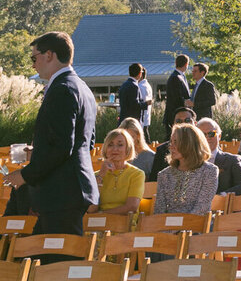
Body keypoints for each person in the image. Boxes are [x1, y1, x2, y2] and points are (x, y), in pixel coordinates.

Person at [10, 32, 98, 236]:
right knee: (44, 257)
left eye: (34, 58)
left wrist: (25, 175)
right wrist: (39, 151)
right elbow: (87, 142)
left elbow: (62, 147)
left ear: (49, 55)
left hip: (61, 194)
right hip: (68, 191)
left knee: (58, 263)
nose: (33, 65)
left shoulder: (63, 89)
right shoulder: (82, 88)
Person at [154, 121, 219, 218]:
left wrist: (180, 228)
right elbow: (159, 211)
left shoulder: (209, 171)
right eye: (171, 142)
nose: (171, 146)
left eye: (176, 142)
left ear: (190, 144)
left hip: (196, 228)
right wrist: (168, 230)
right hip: (166, 228)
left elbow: (202, 208)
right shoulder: (164, 175)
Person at [196, 119, 241, 196]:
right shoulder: (189, 161)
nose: (207, 138)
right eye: (203, 135)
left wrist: (223, 196)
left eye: (211, 134)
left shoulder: (231, 160)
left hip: (221, 206)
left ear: (219, 136)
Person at [96, 128, 145, 212]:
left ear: (128, 148)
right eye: (110, 145)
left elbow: (132, 207)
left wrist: (102, 215)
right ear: (105, 149)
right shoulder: (96, 176)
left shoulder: (136, 174)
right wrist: (100, 176)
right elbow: (91, 209)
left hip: (125, 223)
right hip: (98, 223)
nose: (115, 149)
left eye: (120, 145)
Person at [149, 105, 197, 180]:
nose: (183, 124)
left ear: (195, 124)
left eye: (187, 120)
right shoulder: (162, 150)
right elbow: (154, 181)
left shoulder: (201, 148)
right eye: (178, 121)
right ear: (173, 125)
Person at [117, 63, 151, 131]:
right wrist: (146, 104)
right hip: (131, 122)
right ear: (139, 74)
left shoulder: (124, 85)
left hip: (123, 119)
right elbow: (134, 105)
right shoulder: (134, 86)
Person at [164, 53, 192, 131]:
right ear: (186, 64)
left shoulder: (180, 77)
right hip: (175, 116)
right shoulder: (175, 78)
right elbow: (177, 98)